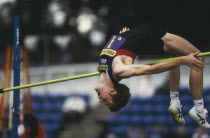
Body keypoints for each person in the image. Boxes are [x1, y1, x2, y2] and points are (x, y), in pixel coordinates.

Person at [94, 22, 210, 128]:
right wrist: (184, 60)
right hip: (153, 37)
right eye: (106, 101)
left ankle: (175, 102)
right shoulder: (120, 70)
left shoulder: (102, 69)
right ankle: (198, 109)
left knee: (175, 54)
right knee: (198, 57)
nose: (100, 100)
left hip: (141, 33)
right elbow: (152, 69)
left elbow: (115, 48)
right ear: (113, 92)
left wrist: (125, 36)